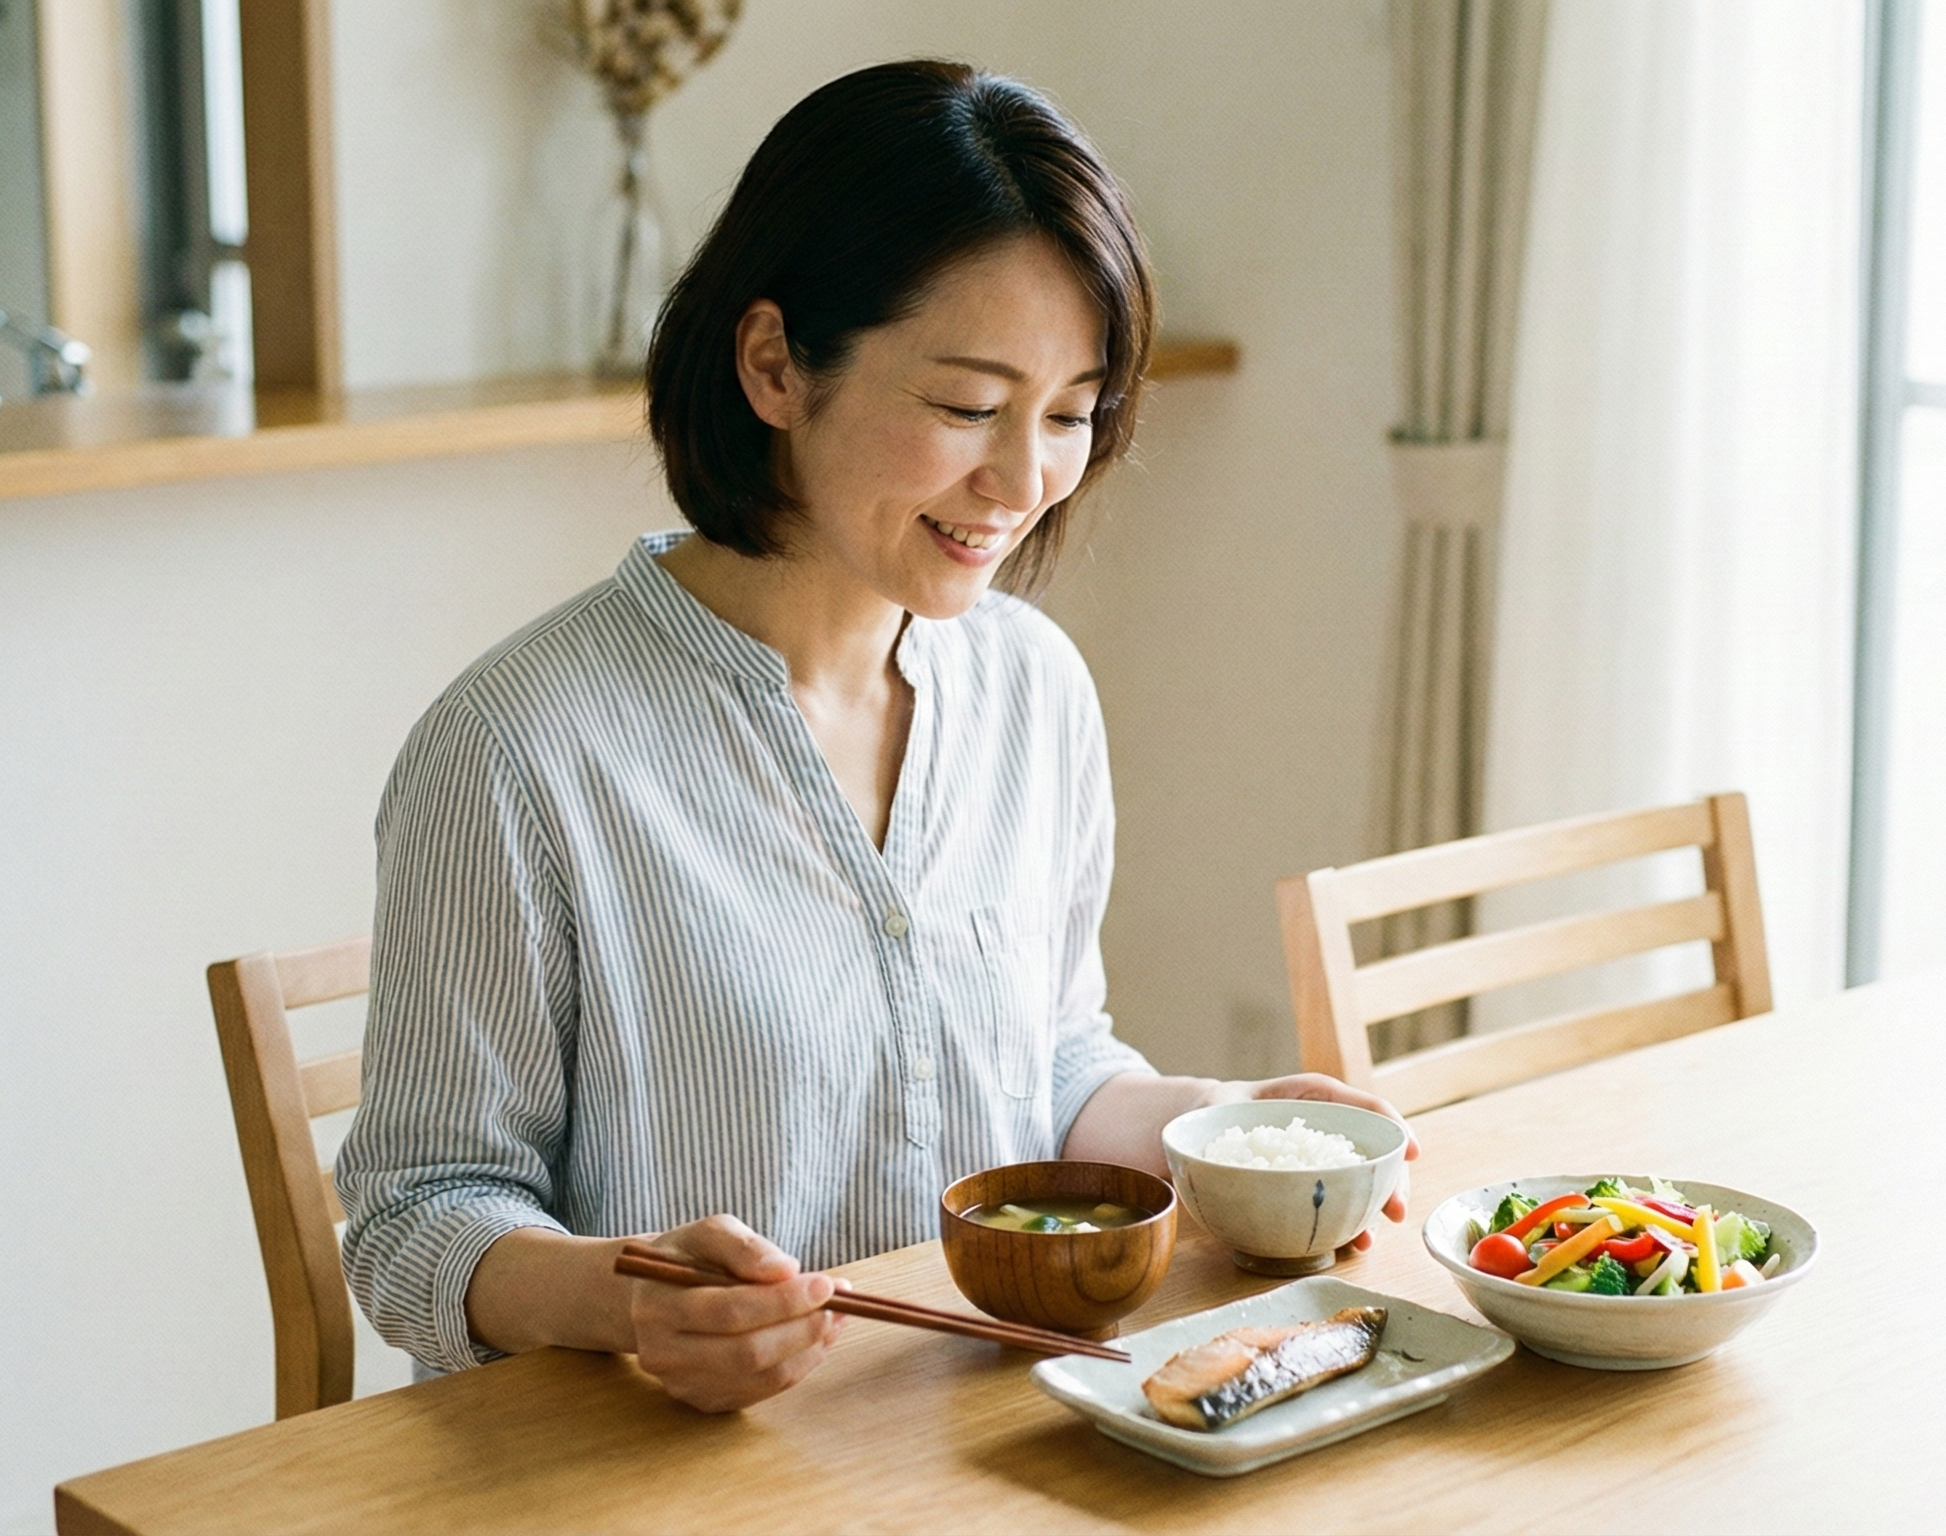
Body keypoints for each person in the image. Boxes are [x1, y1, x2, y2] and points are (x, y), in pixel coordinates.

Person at [336, 60, 1412, 1414]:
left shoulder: (1034, 688)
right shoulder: (517, 750)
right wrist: (631, 1302)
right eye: (968, 407)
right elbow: (415, 1218)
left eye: (1069, 415)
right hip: (655, 1463)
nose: (1023, 481)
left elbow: (1049, 1058)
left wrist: (1219, 1136)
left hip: (979, 1429)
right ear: (775, 365)